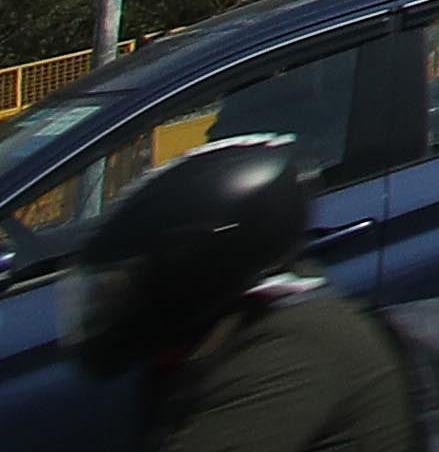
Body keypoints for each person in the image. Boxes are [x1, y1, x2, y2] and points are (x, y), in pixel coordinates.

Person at [61, 138, 415, 452]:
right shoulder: (230, 331)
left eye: (128, 281)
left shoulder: (292, 351)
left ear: (195, 261)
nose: (106, 303)